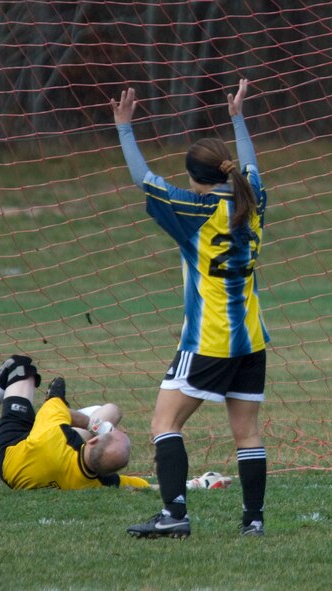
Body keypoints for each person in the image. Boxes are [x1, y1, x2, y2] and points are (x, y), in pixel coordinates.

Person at [110, 78, 269, 538]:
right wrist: (238, 118)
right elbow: (252, 165)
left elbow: (144, 179)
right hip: (253, 339)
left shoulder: (192, 210)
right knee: (247, 433)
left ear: (196, 180)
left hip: (208, 340)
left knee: (164, 422)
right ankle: (253, 521)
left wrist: (124, 128)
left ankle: (174, 515)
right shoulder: (252, 199)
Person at [0, 355, 149, 490]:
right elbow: (139, 484)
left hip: (12, 454)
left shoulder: (56, 435)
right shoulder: (102, 482)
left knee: (19, 366)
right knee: (111, 410)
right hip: (51, 462)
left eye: (112, 431)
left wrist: (91, 424)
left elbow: (55, 401)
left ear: (93, 441)